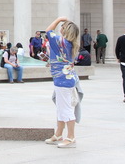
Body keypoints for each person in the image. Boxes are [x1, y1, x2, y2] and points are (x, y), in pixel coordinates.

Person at [44, 16, 80, 149]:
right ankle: (58, 134)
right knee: (61, 108)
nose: (60, 28)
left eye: (62, 27)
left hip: (62, 81)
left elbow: (48, 31)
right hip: (64, 80)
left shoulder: (61, 42)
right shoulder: (69, 44)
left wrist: (58, 19)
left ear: (66, 31)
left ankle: (70, 137)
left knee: (66, 109)